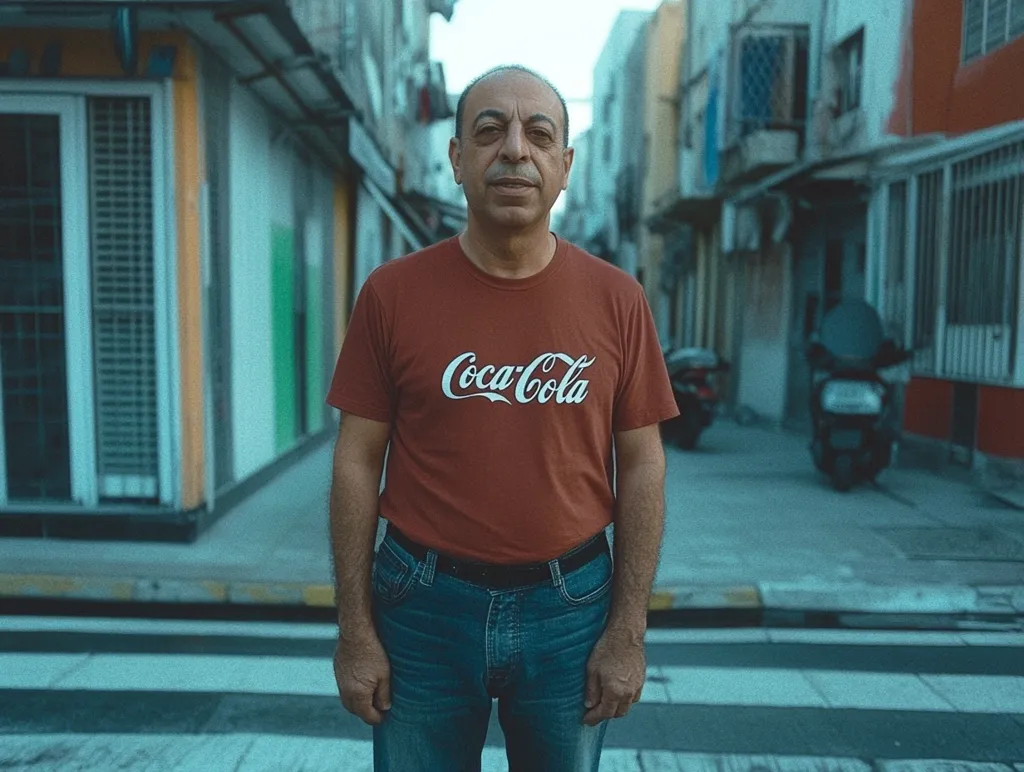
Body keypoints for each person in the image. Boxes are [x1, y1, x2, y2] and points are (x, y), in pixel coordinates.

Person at [327, 64, 679, 772]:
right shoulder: (391, 294)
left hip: (572, 608)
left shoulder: (619, 300)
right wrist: (355, 629)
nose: (514, 149)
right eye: (489, 131)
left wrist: (628, 631)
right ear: (457, 159)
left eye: (538, 135)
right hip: (420, 606)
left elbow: (643, 464)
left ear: (565, 166)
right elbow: (356, 460)